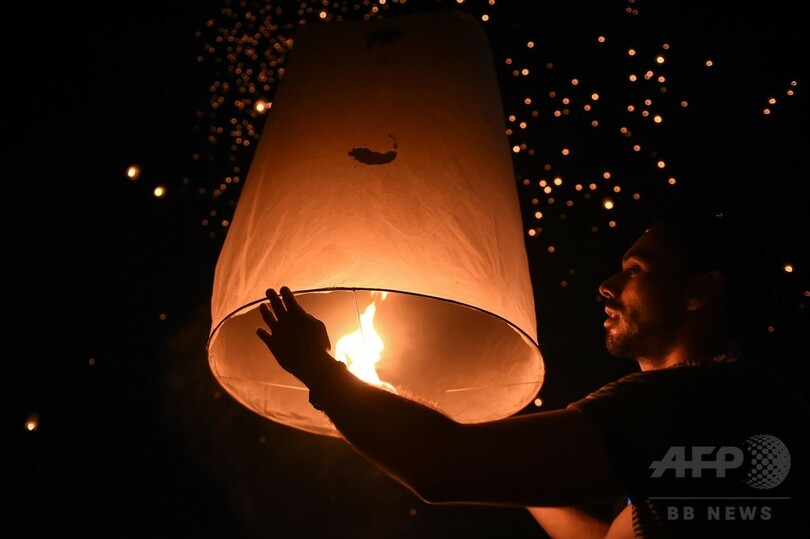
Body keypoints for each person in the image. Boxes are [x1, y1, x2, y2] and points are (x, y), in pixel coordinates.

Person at [255, 210, 809, 538]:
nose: (607, 285)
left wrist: (321, 373)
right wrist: (506, 449)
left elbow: (441, 468)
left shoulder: (698, 401)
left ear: (701, 292)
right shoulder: (725, 404)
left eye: (636, 270)